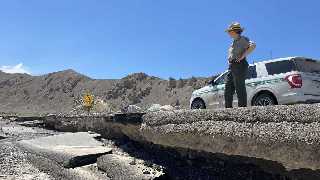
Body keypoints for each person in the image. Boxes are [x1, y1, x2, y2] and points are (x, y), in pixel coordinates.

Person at [224, 22, 256, 108]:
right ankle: (228, 111)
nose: (228, 33)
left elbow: (253, 45)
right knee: (228, 89)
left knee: (239, 88)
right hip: (231, 67)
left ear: (234, 31)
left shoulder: (243, 39)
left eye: (229, 31)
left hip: (240, 65)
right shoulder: (233, 43)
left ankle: (242, 110)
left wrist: (243, 56)